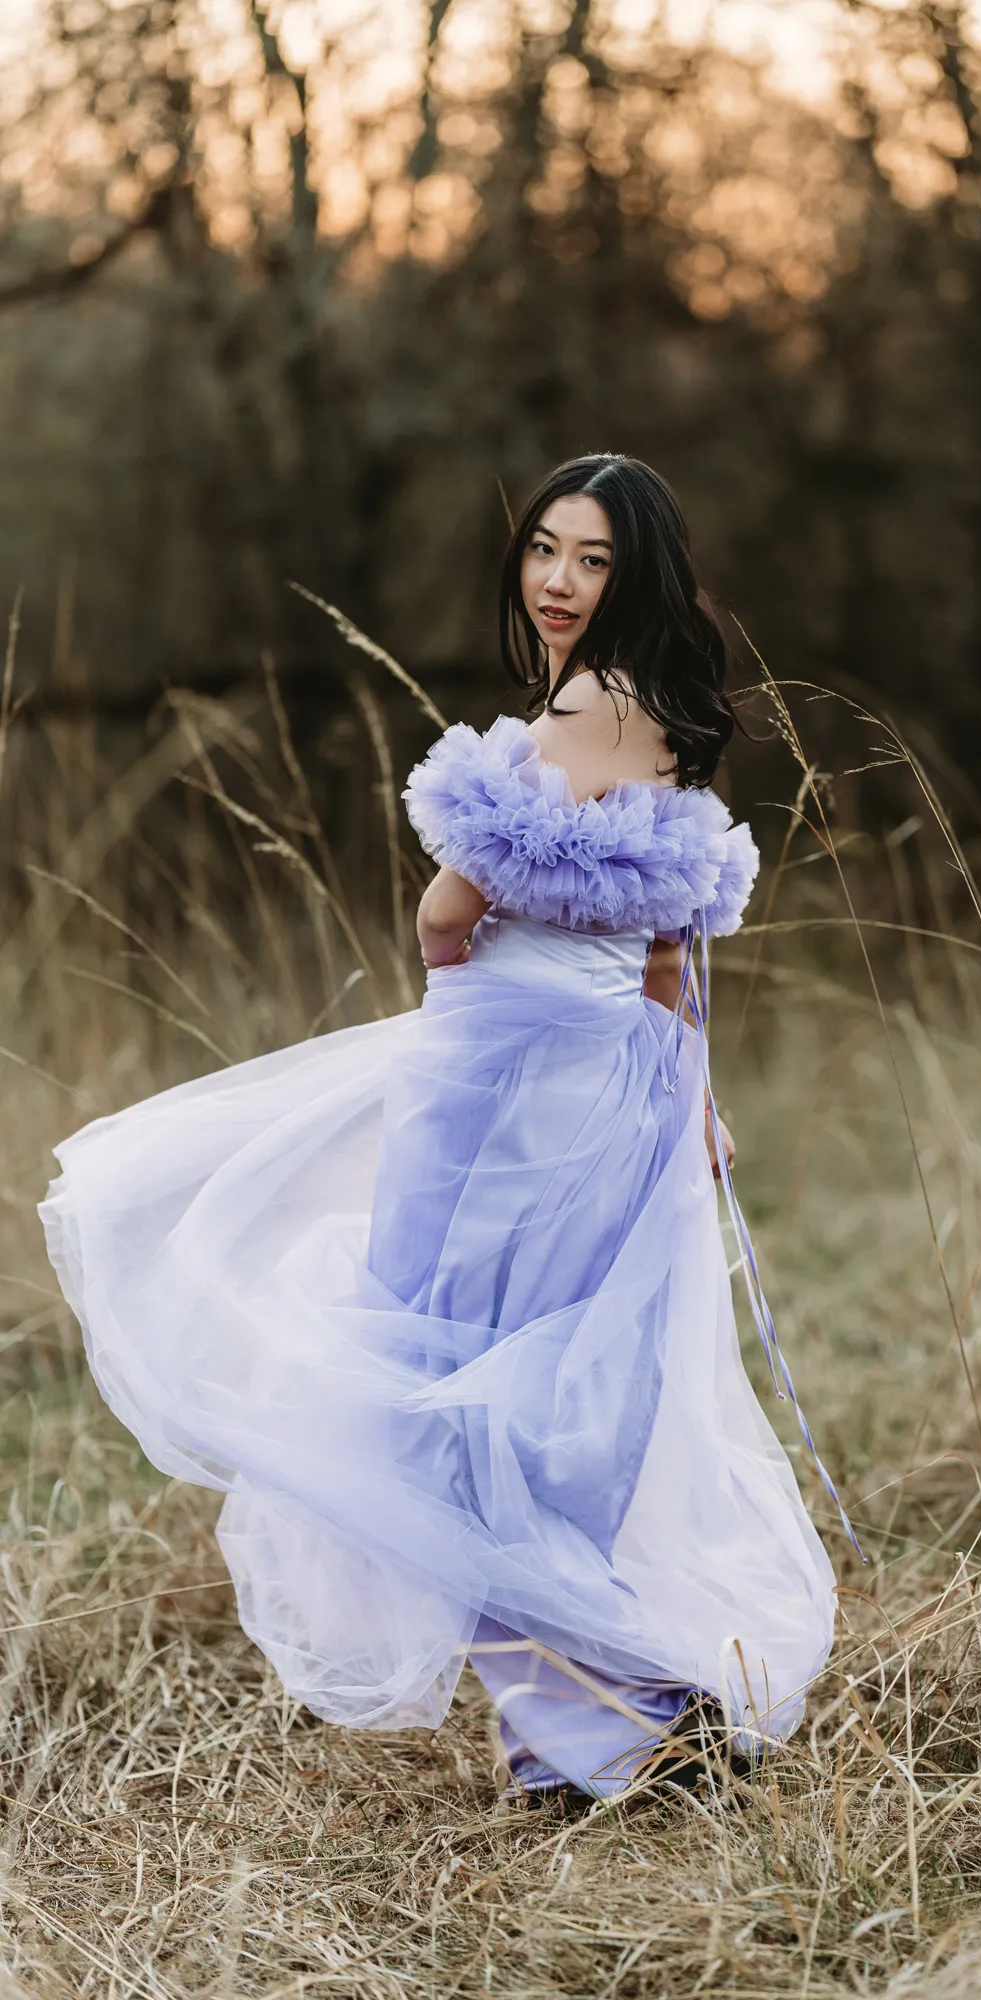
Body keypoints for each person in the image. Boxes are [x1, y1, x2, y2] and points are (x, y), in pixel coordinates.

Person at [40, 453, 838, 1805]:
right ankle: (593, 1727)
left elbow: (441, 916)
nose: (558, 581)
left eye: (591, 558)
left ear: (634, 573)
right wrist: (694, 1098)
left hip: (509, 1090)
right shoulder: (671, 721)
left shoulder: (579, 708)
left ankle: (623, 1712)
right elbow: (669, 966)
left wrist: (472, 994)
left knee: (429, 1406)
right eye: (544, 550)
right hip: (622, 1093)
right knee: (541, 1394)